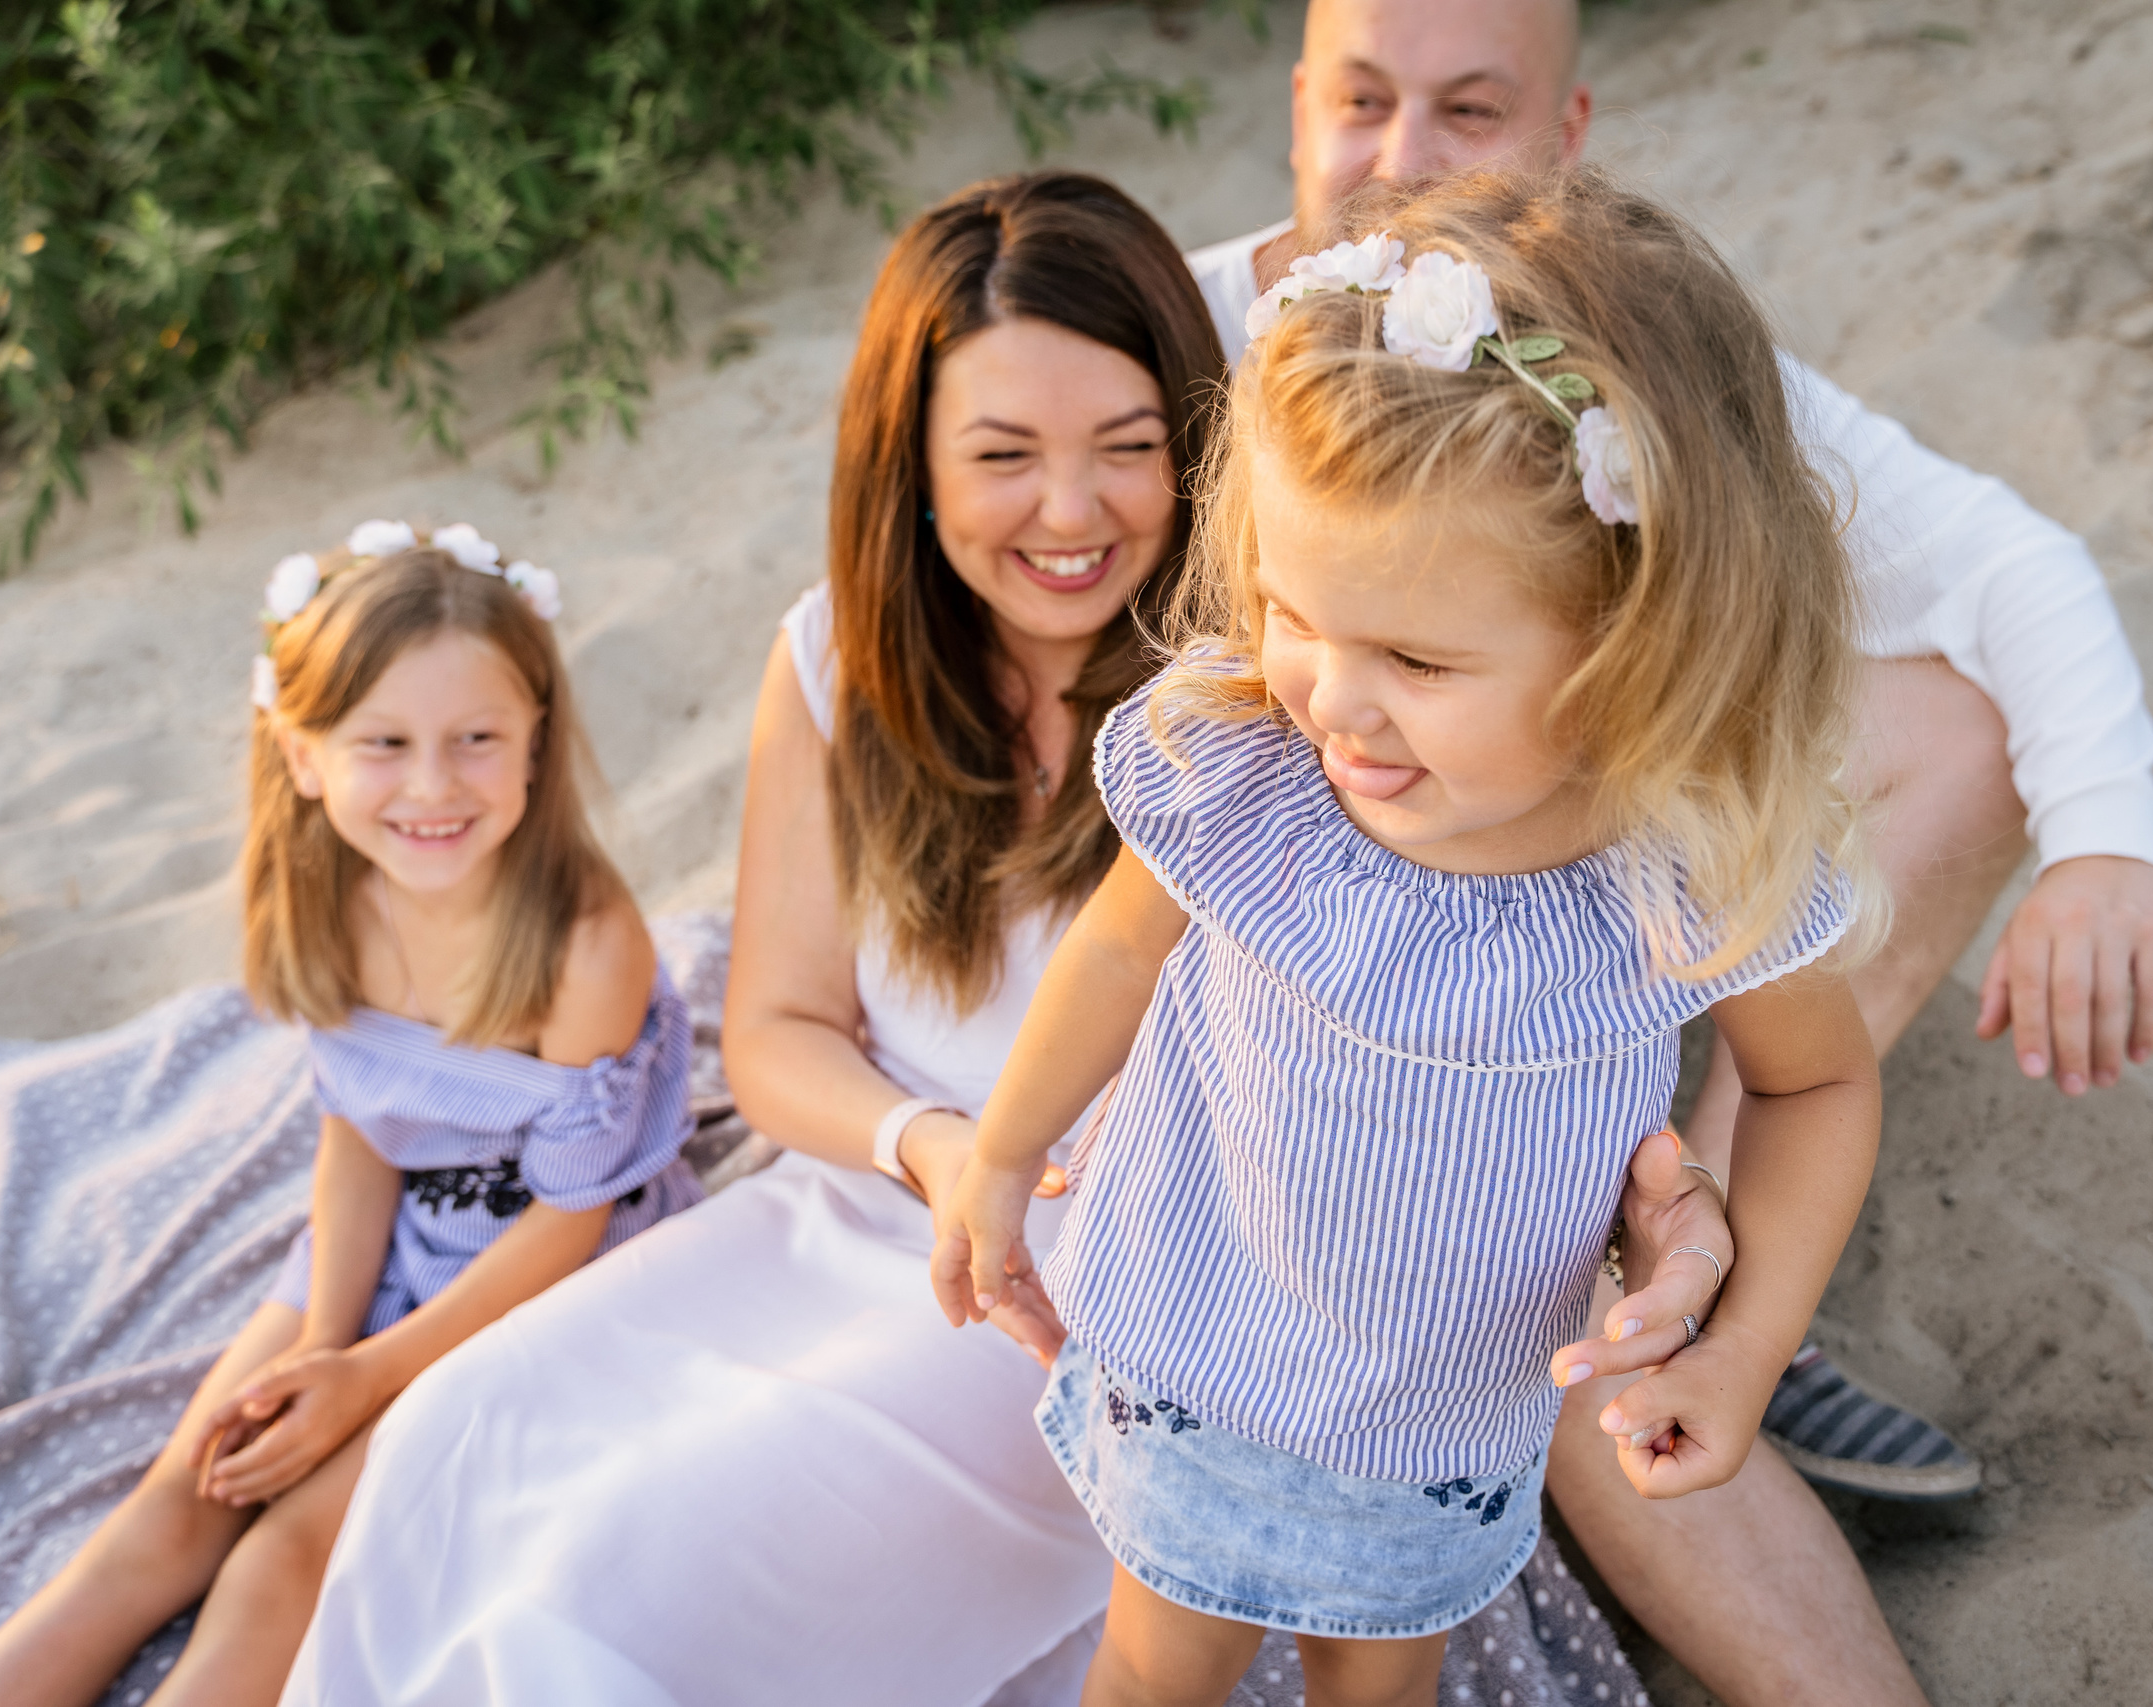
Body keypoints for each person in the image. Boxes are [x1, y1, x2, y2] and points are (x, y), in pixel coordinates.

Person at [283, 171, 1731, 1707]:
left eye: (1126, 449)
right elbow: (773, 1031)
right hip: (874, 1204)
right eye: (1001, 455)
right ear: (910, 464)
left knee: (628, 1565)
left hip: (1137, 1281)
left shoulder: (1290, 697)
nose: (1068, 511)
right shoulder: (842, 652)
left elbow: (1517, 1010)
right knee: (463, 1428)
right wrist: (930, 1145)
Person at [931, 168, 1885, 1707]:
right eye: (1296, 609)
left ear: (1639, 635)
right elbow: (1117, 953)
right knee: (1157, 1665)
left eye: (1420, 657)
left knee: (1388, 1681)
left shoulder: (1682, 870)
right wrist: (995, 1155)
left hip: (1442, 1422)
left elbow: (1814, 1087)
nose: (1331, 695)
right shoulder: (1252, 767)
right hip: (1202, 1349)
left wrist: (1743, 1347)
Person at [0, 528, 701, 1707]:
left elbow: (567, 1225)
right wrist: (315, 1346)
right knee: (181, 1501)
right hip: (384, 1253)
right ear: (301, 755)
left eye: (476, 740)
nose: (433, 786)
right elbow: (359, 1139)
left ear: (535, 743)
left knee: (286, 1557)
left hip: (538, 1286)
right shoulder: (330, 903)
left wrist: (368, 1379)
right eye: (383, 745)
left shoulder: (584, 945)